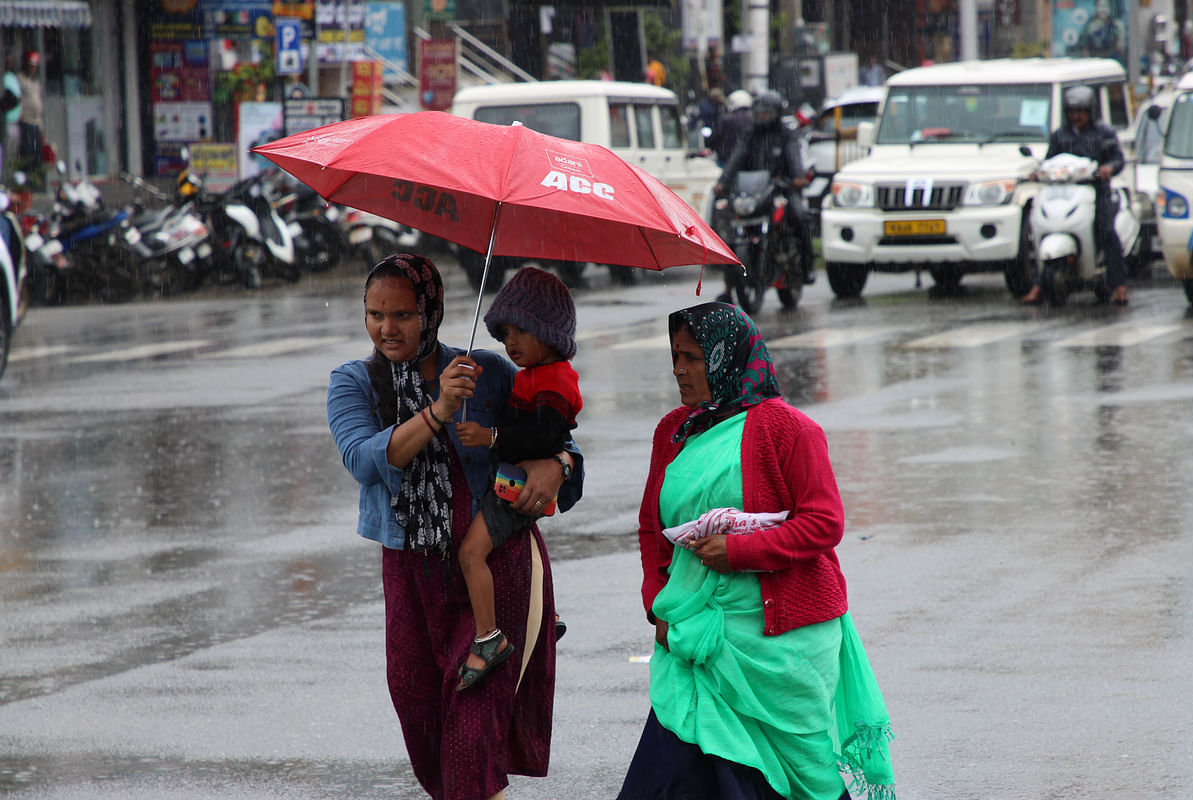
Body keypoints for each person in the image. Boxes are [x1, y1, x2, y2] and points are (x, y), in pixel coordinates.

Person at [327, 254, 584, 800]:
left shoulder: (486, 372)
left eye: (401, 314)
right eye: (374, 314)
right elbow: (364, 461)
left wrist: (558, 464)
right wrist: (439, 408)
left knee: (471, 741)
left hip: (496, 565)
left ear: (431, 312)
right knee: (425, 733)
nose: (386, 328)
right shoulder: (355, 382)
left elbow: (560, 437)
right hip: (409, 577)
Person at [616, 302, 895, 800]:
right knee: (671, 774)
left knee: (794, 783)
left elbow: (824, 523)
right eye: (674, 356)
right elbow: (649, 528)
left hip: (779, 644)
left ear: (727, 358)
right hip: (695, 638)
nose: (679, 370)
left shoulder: (789, 430)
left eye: (693, 358)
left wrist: (739, 552)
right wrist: (656, 606)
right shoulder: (674, 432)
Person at [452, 266, 582, 692]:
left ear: (548, 332)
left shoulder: (556, 380)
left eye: (521, 333)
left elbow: (544, 435)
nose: (511, 344)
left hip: (516, 488)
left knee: (472, 553)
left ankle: (489, 637)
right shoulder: (530, 376)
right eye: (506, 334)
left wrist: (490, 436)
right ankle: (549, 612)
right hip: (515, 482)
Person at [1022, 85, 1130, 305]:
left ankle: (1119, 285)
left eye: (1080, 111)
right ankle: (1039, 285)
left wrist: (1108, 168)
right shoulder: (1059, 135)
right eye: (1072, 111)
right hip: (1062, 193)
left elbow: (1118, 159)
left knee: (1107, 231)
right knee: (1039, 230)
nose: (1076, 116)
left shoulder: (1104, 133)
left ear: (1090, 112)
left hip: (1095, 193)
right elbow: (1049, 161)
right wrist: (1037, 172)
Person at [713, 90, 817, 302]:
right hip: (754, 193)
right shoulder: (750, 135)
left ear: (776, 114)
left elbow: (794, 156)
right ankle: (729, 285)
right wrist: (723, 182)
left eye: (766, 113)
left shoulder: (786, 134)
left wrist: (797, 177)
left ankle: (807, 267)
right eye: (759, 113)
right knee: (728, 230)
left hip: (783, 189)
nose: (762, 117)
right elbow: (736, 158)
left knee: (799, 216)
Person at [15, 51, 42, 186]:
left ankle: (35, 182)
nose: (33, 68)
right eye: (31, 65)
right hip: (25, 121)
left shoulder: (36, 81)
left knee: (37, 155)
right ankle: (24, 184)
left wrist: (42, 127)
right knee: (27, 154)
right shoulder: (20, 79)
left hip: (36, 122)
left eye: (35, 65)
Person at [710, 89, 753, 166]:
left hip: (728, 160)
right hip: (750, 161)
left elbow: (715, 138)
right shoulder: (756, 119)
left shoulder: (725, 119)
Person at [2, 53, 20, 177]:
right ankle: (5, 180)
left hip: (16, 121)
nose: (10, 64)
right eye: (8, 61)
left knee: (13, 154)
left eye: (11, 61)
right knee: (7, 153)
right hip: (6, 121)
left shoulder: (13, 77)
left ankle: (11, 179)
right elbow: (8, 98)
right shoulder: (4, 77)